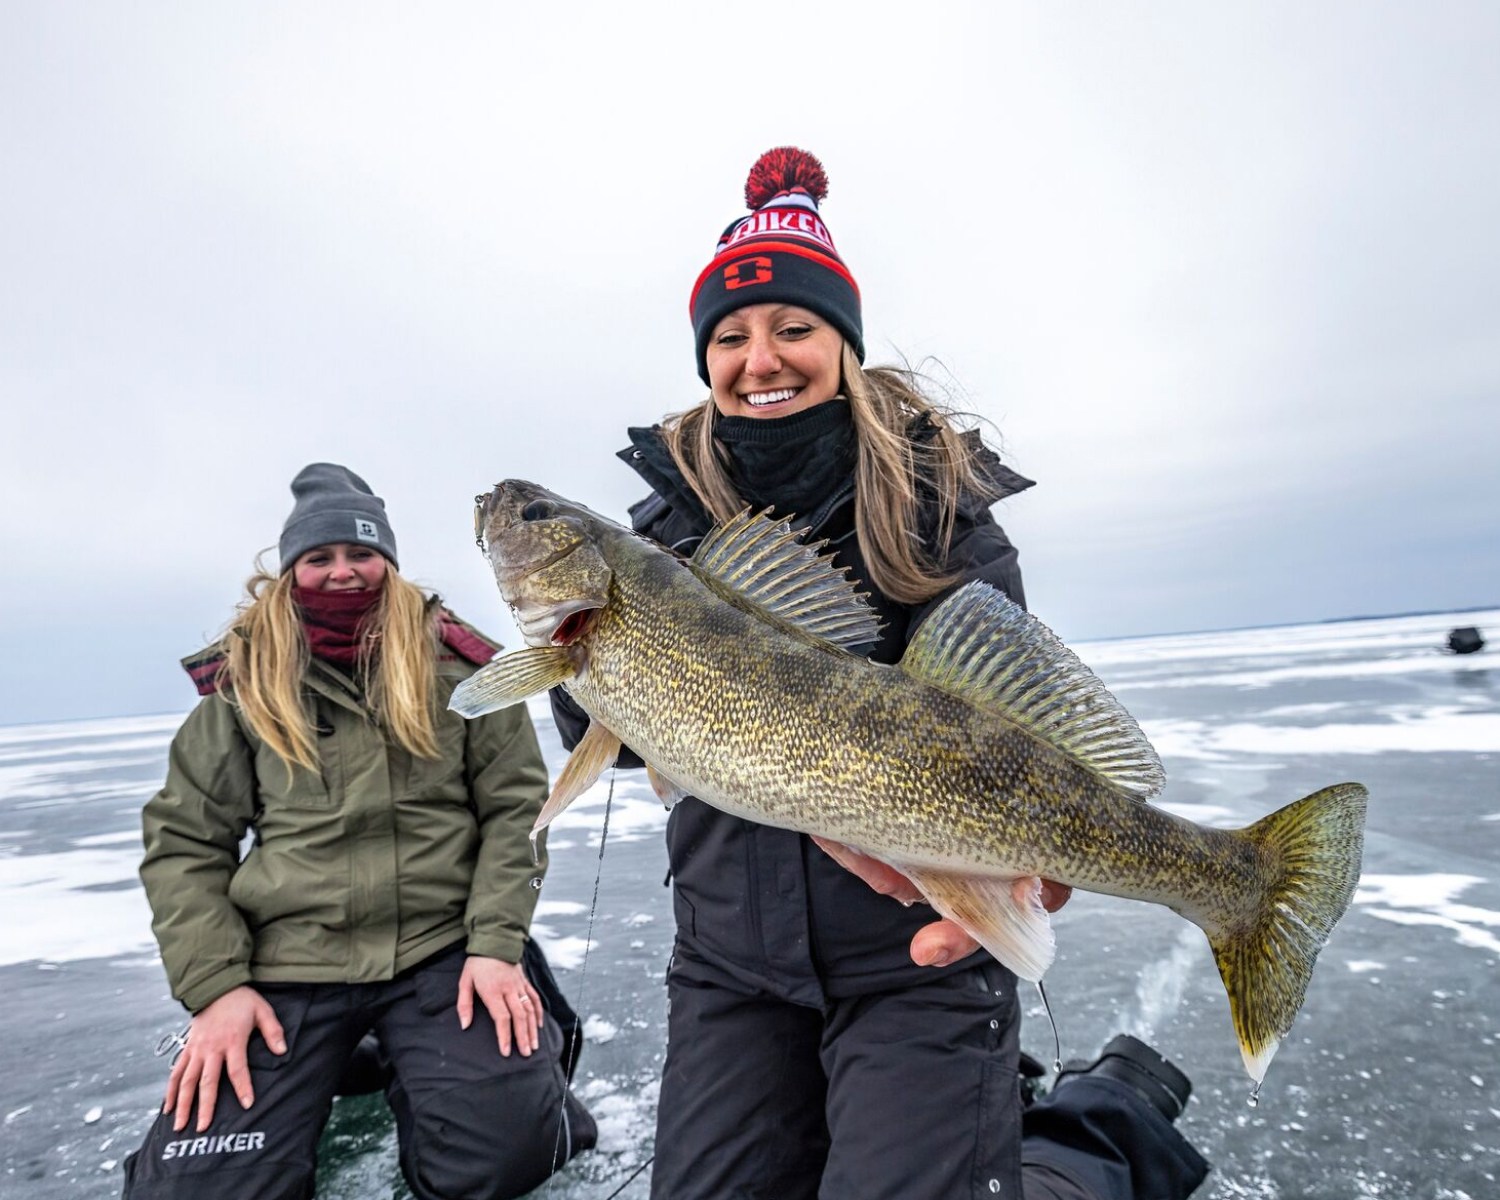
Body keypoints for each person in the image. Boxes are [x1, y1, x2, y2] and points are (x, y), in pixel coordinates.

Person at [550, 148, 1211, 1199]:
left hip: (917, 954)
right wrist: (583, 664)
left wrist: (1040, 865)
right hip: (730, 963)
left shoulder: (942, 508)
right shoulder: (661, 534)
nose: (759, 359)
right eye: (729, 337)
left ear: (843, 345)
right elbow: (612, 744)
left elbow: (1015, 729)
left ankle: (1099, 1132)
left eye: (793, 327)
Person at [124, 463, 595, 1200]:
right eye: (319, 558)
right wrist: (216, 988)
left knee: (505, 1158)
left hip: (440, 952)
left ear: (390, 561)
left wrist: (497, 947)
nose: (342, 572)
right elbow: (186, 845)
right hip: (289, 965)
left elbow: (517, 815)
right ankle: (362, 1057)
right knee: (203, 1192)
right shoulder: (243, 685)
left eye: (361, 554)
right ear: (290, 571)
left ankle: (459, 1074)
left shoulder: (463, 670)